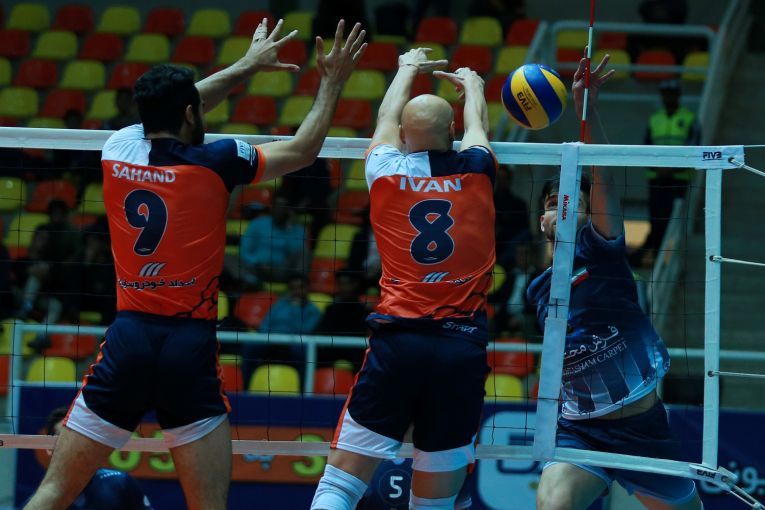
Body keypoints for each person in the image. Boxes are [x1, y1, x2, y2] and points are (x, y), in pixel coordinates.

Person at [23, 18, 367, 510]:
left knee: (54, 492)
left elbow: (181, 106)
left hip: (130, 339)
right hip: (189, 346)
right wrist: (332, 80)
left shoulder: (118, 147)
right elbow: (302, 149)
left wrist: (246, 66)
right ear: (190, 113)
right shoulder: (218, 160)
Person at [311, 47, 496, 510]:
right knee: (432, 504)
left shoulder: (385, 171)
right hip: (460, 347)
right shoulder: (478, 170)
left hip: (398, 344)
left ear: (404, 138)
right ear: (451, 133)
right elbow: (479, 126)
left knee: (339, 488)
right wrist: (474, 87)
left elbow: (385, 118)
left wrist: (406, 69)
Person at [529, 52, 702, 510]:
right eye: (552, 203)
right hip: (581, 430)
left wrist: (586, 109)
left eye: (573, 200)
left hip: (643, 429)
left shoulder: (602, 249)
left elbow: (603, 174)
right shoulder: (537, 290)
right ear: (542, 221)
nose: (562, 207)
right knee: (553, 506)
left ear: (589, 213)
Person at [635, 79, 701, 267]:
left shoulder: (690, 119)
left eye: (671, 93)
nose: (668, 97)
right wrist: (658, 169)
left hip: (678, 181)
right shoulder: (654, 119)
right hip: (656, 179)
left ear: (678, 96)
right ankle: (655, 256)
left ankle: (670, 259)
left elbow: (694, 148)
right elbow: (646, 148)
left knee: (674, 220)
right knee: (655, 217)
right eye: (665, 93)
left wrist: (672, 169)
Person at [37, 408, 153, 510]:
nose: (73, 445)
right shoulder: (40, 502)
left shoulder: (121, 483)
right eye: (64, 439)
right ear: (49, 448)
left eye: (79, 437)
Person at [242, 273, 321, 384]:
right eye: (293, 288)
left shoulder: (313, 310)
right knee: (250, 347)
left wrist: (296, 309)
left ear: (308, 288)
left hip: (295, 341)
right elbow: (265, 324)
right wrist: (268, 336)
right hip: (271, 338)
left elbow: (305, 330)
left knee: (301, 353)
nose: (297, 291)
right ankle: (246, 385)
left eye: (300, 287)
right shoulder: (279, 304)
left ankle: (303, 388)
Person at [239, 193, 308, 286]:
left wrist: (290, 229)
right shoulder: (257, 224)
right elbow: (244, 251)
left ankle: (297, 288)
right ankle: (253, 283)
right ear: (271, 208)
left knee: (303, 252)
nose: (279, 210)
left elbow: (297, 253)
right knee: (228, 258)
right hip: (257, 268)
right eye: (277, 206)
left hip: (282, 270)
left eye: (283, 207)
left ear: (289, 210)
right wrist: (257, 263)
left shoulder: (298, 229)